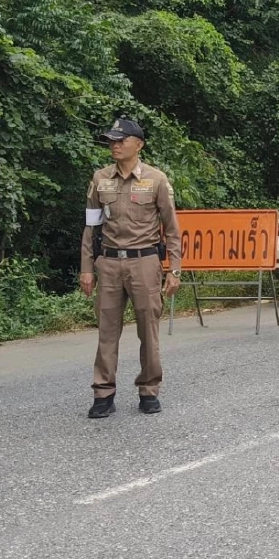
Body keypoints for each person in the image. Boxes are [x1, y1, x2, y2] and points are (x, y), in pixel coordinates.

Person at [79, 118, 182, 419]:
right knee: (107, 331)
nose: (115, 145)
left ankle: (149, 390)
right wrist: (87, 267)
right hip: (109, 263)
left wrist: (174, 269)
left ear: (139, 145)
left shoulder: (156, 179)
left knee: (148, 331)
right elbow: (90, 227)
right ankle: (103, 393)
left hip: (144, 262)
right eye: (112, 140)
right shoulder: (100, 178)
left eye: (121, 140)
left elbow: (172, 229)